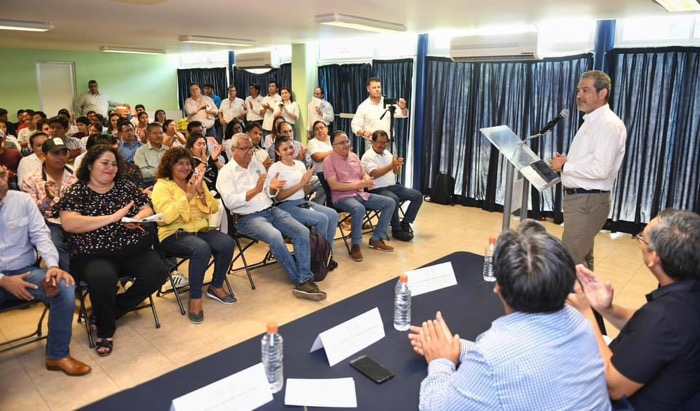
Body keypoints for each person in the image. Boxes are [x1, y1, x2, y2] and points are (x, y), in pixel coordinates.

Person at [409, 220, 610, 410]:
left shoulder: (494, 352)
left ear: (498, 288)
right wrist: (459, 348)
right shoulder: (580, 320)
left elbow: (435, 405)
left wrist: (441, 360)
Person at [567, 209, 700, 410]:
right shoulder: (685, 291)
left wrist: (586, 313)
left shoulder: (663, 318)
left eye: (642, 239)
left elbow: (613, 386)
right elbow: (643, 327)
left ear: (654, 258)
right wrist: (606, 309)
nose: (641, 243)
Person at [57, 145, 168, 356]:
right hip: (93, 254)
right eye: (104, 163)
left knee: (158, 272)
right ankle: (105, 331)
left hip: (131, 249)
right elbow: (70, 223)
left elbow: (147, 207)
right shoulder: (76, 190)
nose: (111, 168)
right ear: (89, 166)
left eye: (114, 164)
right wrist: (113, 217)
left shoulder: (124, 186)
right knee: (103, 278)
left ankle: (110, 312)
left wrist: (136, 218)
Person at [0, 165, 91, 376]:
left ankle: (57, 355)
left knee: (64, 286)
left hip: (25, 270)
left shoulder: (21, 201)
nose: (2, 182)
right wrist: (3, 280)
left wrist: (52, 266)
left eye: (2, 175)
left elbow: (41, 234)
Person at [216, 133, 326, 301]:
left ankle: (306, 276)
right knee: (275, 236)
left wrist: (272, 188)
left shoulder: (258, 166)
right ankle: (301, 281)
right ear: (233, 150)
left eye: (251, 148)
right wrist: (255, 189)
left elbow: (270, 192)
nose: (248, 152)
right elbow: (230, 203)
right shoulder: (226, 172)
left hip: (271, 209)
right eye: (244, 149)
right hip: (247, 218)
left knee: (302, 231)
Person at [549, 70, 627, 271]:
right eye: (578, 90)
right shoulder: (591, 120)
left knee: (571, 261)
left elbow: (601, 168)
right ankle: (587, 302)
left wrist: (565, 166)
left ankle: (573, 303)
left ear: (603, 94)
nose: (579, 95)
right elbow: (590, 160)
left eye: (586, 90)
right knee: (582, 260)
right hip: (582, 200)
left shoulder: (607, 125)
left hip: (588, 201)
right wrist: (566, 162)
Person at [152, 147, 236, 324]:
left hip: (199, 229)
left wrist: (200, 192)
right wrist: (188, 196)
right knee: (201, 249)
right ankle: (195, 298)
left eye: (188, 163)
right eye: (180, 163)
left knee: (227, 243)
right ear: (170, 166)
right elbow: (165, 218)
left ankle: (216, 286)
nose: (185, 167)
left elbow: (214, 207)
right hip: (173, 233)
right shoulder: (162, 186)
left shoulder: (197, 181)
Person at [268, 136, 339, 270]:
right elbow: (280, 197)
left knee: (333, 214)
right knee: (322, 219)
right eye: (285, 149)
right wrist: (301, 183)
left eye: (290, 147)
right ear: (278, 152)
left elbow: (305, 190)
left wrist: (306, 183)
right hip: (286, 206)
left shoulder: (299, 164)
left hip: (302, 202)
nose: (289, 150)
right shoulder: (276, 168)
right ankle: (317, 258)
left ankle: (326, 254)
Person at [323, 130, 395, 262]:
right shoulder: (328, 161)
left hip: (361, 194)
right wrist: (359, 184)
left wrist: (368, 180)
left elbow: (364, 174)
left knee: (390, 203)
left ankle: (376, 238)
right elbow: (334, 186)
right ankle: (355, 245)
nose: (346, 145)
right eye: (341, 143)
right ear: (333, 146)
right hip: (342, 197)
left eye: (347, 141)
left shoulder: (354, 156)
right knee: (359, 208)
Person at [21, 138, 78, 272]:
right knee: (54, 244)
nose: (61, 157)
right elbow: (32, 212)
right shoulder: (31, 179)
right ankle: (73, 279)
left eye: (64, 153)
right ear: (43, 156)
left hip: (74, 217)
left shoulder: (76, 174)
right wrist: (48, 198)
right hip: (48, 221)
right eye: (56, 154)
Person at [361, 130, 422, 242]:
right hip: (376, 189)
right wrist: (391, 165)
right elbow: (374, 174)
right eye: (380, 142)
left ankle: (405, 222)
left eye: (385, 142)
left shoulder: (387, 154)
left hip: (392, 186)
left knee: (418, 196)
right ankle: (396, 230)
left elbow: (395, 173)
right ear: (372, 142)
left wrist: (397, 166)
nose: (382, 145)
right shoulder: (367, 156)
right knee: (393, 199)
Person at [351, 77, 408, 152]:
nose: (377, 89)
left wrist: (403, 108)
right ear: (368, 89)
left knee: (394, 163)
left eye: (379, 87)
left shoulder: (388, 102)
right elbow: (355, 126)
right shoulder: (363, 106)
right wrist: (364, 132)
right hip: (371, 143)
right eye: (374, 87)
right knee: (373, 164)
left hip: (388, 143)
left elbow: (404, 115)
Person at [134, 122, 169, 187]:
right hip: (151, 184)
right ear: (148, 135)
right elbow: (143, 173)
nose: (158, 136)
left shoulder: (168, 150)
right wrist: (163, 171)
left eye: (161, 133)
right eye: (155, 133)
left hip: (169, 182)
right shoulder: (141, 152)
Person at [307, 121, 334, 205]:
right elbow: (317, 157)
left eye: (322, 128)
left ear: (327, 129)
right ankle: (318, 205)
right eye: (316, 129)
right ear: (314, 132)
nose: (320, 130)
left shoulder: (333, 139)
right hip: (321, 173)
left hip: (337, 171)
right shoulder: (312, 142)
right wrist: (335, 151)